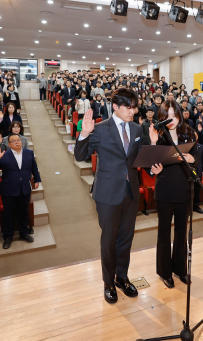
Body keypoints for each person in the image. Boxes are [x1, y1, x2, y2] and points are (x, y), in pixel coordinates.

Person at [74, 88, 141, 304]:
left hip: (130, 193)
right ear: (115, 107)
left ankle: (122, 277)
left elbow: (140, 159)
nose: (133, 111)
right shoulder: (101, 129)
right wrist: (84, 134)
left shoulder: (138, 128)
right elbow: (80, 155)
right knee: (109, 240)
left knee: (126, 239)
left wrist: (153, 167)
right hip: (107, 194)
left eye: (134, 107)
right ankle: (108, 282)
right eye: (128, 107)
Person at [148, 100, 197, 288]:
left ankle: (180, 270)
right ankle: (165, 272)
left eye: (175, 115)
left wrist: (192, 159)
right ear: (161, 117)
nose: (172, 119)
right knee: (164, 233)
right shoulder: (158, 136)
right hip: (165, 190)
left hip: (184, 189)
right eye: (167, 116)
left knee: (181, 232)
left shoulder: (188, 134)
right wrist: (153, 145)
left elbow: (197, 159)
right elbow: (149, 166)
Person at [0, 134, 41, 248]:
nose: (17, 142)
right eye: (13, 141)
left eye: (18, 140)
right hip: (9, 189)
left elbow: (34, 167)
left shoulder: (29, 153)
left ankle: (24, 234)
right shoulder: (4, 155)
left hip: (24, 188)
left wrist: (37, 180)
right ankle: (8, 237)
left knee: (23, 212)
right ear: (9, 144)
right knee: (8, 215)